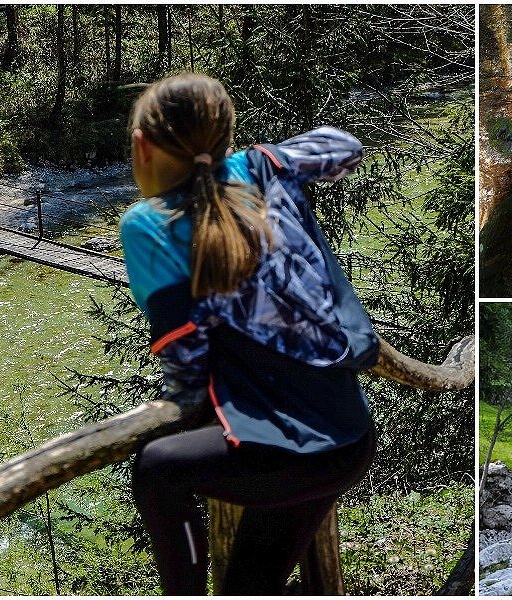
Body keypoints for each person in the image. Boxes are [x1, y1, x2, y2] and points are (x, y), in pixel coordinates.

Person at [119, 72, 377, 595]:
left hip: (286, 453)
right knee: (249, 586)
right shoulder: (262, 165)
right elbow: (347, 146)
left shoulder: (147, 224)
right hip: (350, 438)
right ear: (225, 137)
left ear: (142, 147)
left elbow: (187, 369)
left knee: (156, 470)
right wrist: (268, 155)